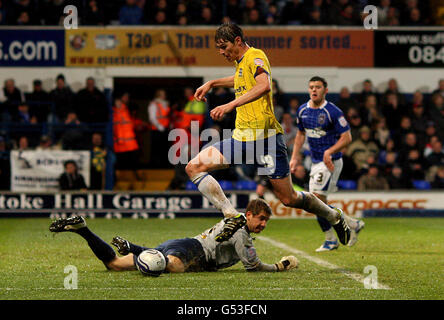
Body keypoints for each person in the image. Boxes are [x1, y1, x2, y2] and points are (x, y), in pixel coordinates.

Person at [186, 23, 351, 246]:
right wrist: (213, 83)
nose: (222, 52)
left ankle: (334, 216)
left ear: (237, 41)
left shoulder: (255, 56)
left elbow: (264, 85)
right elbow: (240, 79)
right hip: (242, 138)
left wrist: (230, 105)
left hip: (267, 138)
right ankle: (232, 216)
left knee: (288, 198)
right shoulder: (241, 63)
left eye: (224, 46)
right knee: (193, 167)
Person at [49, 198, 299, 274]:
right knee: (173, 266)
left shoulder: (235, 222)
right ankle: (134, 246)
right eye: (262, 219)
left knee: (113, 264)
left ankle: (83, 229)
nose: (264, 224)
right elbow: (253, 267)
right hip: (193, 251)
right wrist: (279, 266)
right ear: (250, 215)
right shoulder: (241, 232)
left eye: (267, 220)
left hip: (180, 244)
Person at [291, 76, 364, 252]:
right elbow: (300, 134)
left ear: (325, 90)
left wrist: (329, 151)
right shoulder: (303, 110)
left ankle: (331, 239)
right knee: (317, 203)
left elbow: (347, 137)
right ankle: (352, 224)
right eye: (311, 87)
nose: (314, 90)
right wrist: (294, 157)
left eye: (317, 87)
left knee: (314, 200)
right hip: (315, 161)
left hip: (331, 162)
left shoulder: (333, 111)